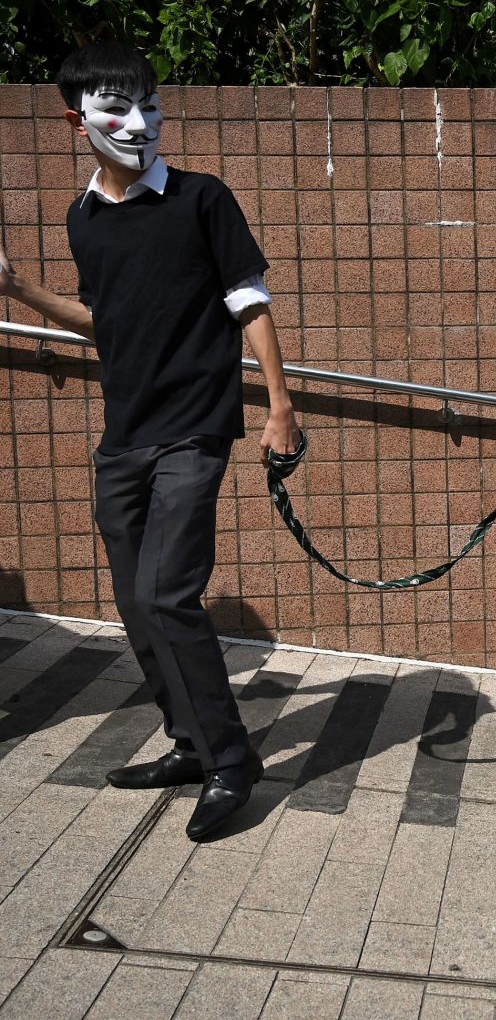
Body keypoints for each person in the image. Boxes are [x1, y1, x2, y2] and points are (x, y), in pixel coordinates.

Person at [0, 42, 300, 841]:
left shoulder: (202, 199)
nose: (140, 122)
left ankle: (234, 762)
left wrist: (279, 407)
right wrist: (22, 290)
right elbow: (106, 321)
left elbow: (251, 304)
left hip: (194, 429)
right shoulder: (82, 218)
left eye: (149, 104)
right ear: (76, 121)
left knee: (170, 593)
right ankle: (189, 743)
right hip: (123, 435)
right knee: (137, 605)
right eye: (115, 108)